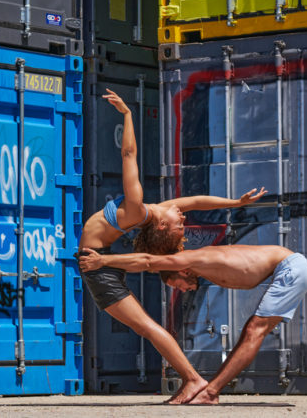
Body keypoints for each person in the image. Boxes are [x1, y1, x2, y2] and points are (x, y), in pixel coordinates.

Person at [79, 89, 268, 404]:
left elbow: (128, 155)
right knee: (146, 327)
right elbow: (195, 201)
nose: (182, 216)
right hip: (101, 262)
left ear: (163, 226)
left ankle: (193, 380)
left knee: (147, 327)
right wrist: (235, 202)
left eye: (179, 222)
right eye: (182, 222)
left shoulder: (138, 208)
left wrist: (127, 115)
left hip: (97, 265)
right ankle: (191, 380)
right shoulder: (155, 212)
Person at [78, 244, 307, 405]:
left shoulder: (190, 258)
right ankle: (210, 390)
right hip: (290, 270)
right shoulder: (201, 267)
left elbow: (148, 261)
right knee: (252, 330)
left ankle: (210, 392)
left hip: (291, 268)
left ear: (180, 270)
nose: (186, 289)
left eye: (178, 285)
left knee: (254, 331)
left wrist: (103, 261)